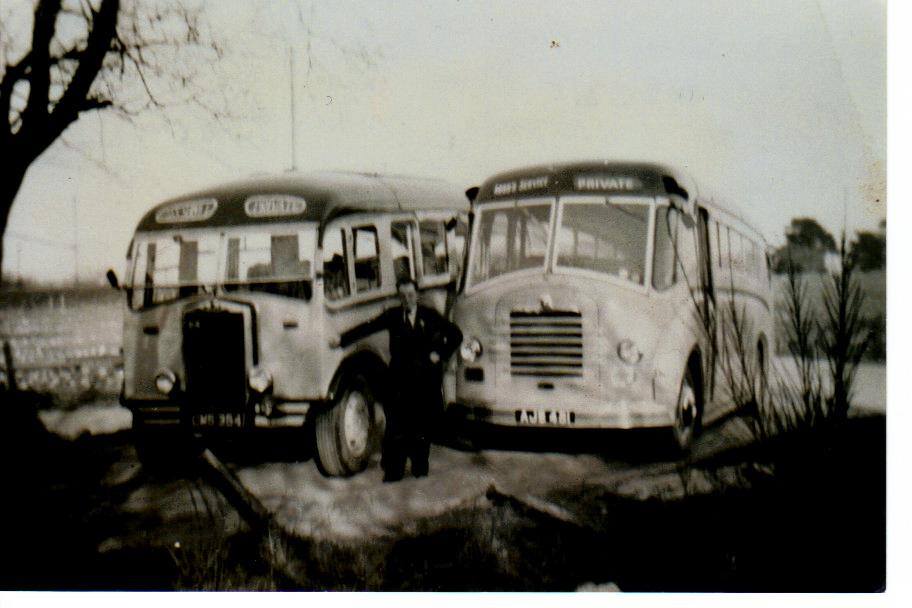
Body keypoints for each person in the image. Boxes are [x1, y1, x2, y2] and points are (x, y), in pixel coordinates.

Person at [335, 276, 462, 481]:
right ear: (399, 297)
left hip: (424, 381)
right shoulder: (393, 315)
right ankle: (395, 472)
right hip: (400, 380)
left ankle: (420, 470)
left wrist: (439, 353)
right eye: (403, 296)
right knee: (397, 427)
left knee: (421, 427)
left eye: (410, 294)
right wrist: (341, 339)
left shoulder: (429, 315)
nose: (407, 299)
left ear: (417, 295)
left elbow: (456, 334)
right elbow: (368, 327)